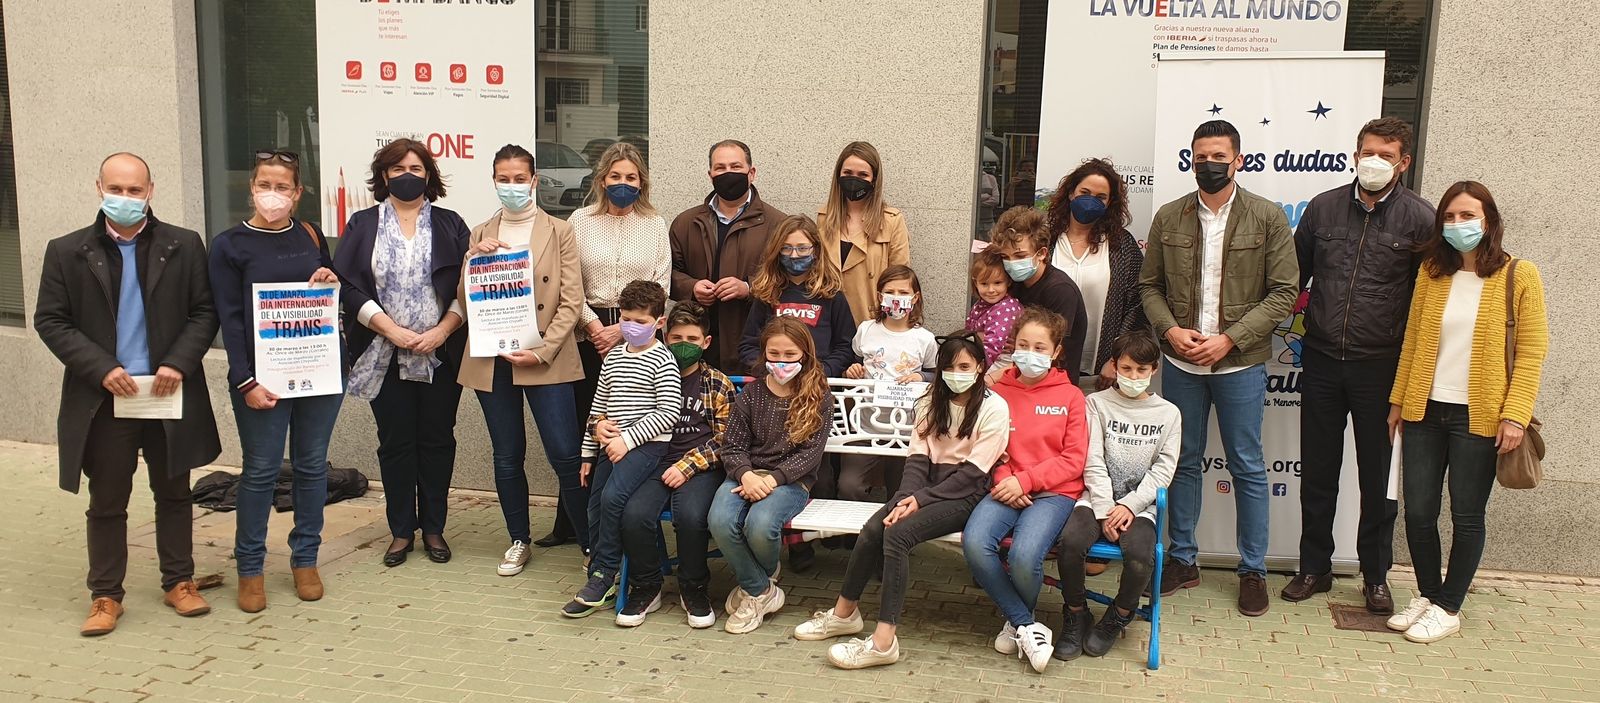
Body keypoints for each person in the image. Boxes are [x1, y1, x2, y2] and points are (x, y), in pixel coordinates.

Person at [35, 152, 221, 635]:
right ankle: (105, 596)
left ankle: (179, 582)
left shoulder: (182, 244)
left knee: (175, 493)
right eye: (116, 189)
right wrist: (101, 368)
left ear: (150, 191)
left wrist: (178, 362)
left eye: (134, 190)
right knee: (108, 498)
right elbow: (50, 320)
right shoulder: (66, 250)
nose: (125, 198)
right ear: (98, 187)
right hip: (106, 397)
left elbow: (204, 312)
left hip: (166, 392)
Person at [1139, 120, 1298, 617]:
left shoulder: (1267, 217)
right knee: (1183, 462)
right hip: (1181, 363)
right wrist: (1169, 332)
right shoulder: (1169, 217)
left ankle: (1253, 570)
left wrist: (1231, 339)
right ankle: (1183, 560)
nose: (1207, 164)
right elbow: (1149, 287)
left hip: (1240, 365)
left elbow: (1285, 294)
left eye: (1217, 156)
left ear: (1238, 161)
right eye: (1199, 156)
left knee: (1247, 465)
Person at [1283, 118, 1435, 613]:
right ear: (1354, 153)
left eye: (1386, 155)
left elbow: (1427, 302)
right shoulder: (1324, 208)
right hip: (1323, 360)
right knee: (1320, 471)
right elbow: (1292, 279)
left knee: (1377, 478)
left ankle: (1375, 576)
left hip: (1381, 367)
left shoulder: (1420, 220)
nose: (1374, 161)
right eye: (1367, 151)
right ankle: (1314, 568)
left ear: (1403, 162)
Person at [1384, 181, 1547, 644]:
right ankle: (1429, 595)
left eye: (1468, 216)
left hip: (1480, 416)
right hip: (1424, 409)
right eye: (1450, 218)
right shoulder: (1433, 273)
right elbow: (1413, 342)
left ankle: (1450, 605)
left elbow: (1532, 351)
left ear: (1490, 221)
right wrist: (1398, 401)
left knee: (1467, 514)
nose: (1458, 225)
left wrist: (1515, 414)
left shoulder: (1520, 275)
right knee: (1417, 511)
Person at [793, 332, 1011, 669]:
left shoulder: (994, 407)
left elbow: (971, 473)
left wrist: (919, 500)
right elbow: (918, 458)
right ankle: (844, 614)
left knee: (897, 534)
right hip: (924, 491)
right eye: (949, 367)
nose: (957, 373)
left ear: (980, 367)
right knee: (872, 529)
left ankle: (883, 641)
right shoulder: (929, 400)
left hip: (965, 496)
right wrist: (907, 495)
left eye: (965, 366)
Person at [209, 150, 343, 613]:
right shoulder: (228, 245)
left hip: (316, 372)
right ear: (251, 188)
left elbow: (326, 287)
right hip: (260, 380)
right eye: (265, 184)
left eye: (282, 186)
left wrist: (329, 277)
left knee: (311, 467)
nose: (273, 194)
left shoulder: (309, 235)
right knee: (261, 471)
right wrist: (244, 379)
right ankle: (250, 568)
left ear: (297, 193)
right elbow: (230, 318)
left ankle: (305, 559)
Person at [333, 138, 471, 567]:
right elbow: (348, 285)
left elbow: (471, 287)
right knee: (394, 443)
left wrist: (442, 330)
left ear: (428, 174)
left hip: (439, 352)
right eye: (396, 169)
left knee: (436, 440)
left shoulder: (451, 224)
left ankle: (433, 528)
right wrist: (390, 329)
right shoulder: (362, 224)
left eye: (415, 167)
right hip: (382, 353)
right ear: (383, 176)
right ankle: (399, 530)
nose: (406, 175)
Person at [458, 144, 587, 578]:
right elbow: (464, 303)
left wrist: (543, 349)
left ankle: (590, 541)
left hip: (545, 357)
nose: (511, 186)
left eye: (519, 178)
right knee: (507, 454)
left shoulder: (559, 230)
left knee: (566, 454)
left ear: (533, 181)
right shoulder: (478, 233)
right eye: (503, 178)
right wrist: (472, 262)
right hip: (493, 358)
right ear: (493, 180)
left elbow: (571, 301)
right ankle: (518, 539)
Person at [964, 307, 1088, 673]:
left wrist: (1027, 480)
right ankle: (1024, 621)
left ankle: (1016, 619)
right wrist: (1004, 477)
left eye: (1039, 346)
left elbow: (1073, 459)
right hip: (1005, 487)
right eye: (1022, 344)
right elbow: (988, 443)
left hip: (1053, 493)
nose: (1029, 352)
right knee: (974, 543)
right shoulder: (997, 391)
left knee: (1023, 555)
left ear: (1056, 351)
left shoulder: (1071, 397)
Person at [562, 142, 671, 549]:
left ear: (641, 182)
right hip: (586, 332)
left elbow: (660, 281)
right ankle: (581, 528)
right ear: (601, 179)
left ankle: (621, 515)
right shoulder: (580, 220)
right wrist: (594, 327)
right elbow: (568, 280)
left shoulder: (655, 223)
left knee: (632, 420)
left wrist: (624, 331)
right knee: (589, 424)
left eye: (630, 177)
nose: (622, 184)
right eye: (615, 176)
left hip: (639, 335)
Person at [1053, 331, 1180, 661]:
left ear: (1154, 369)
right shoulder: (1095, 403)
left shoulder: (1169, 413)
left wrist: (1129, 505)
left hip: (1140, 506)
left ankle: (1120, 614)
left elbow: (1164, 470)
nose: (1133, 377)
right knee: (1070, 543)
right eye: (1126, 369)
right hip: (1095, 498)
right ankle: (1076, 611)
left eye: (1141, 370)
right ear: (1114, 366)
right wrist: (1107, 508)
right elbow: (1091, 458)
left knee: (1141, 557)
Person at [709, 317, 834, 634]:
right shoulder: (751, 395)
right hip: (746, 475)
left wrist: (772, 479)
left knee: (760, 524)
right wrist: (747, 476)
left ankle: (754, 586)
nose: (781, 362)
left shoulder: (819, 397)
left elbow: (810, 455)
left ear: (804, 354)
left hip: (790, 480)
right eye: (773, 355)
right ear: (763, 354)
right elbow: (733, 446)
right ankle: (762, 589)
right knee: (720, 520)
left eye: (789, 355)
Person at [564, 281, 680, 617]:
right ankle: (601, 571)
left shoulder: (663, 359)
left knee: (614, 498)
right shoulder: (613, 357)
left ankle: (603, 573)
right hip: (609, 447)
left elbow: (668, 412)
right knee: (596, 503)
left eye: (641, 321)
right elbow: (599, 407)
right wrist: (590, 448)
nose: (632, 327)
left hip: (645, 448)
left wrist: (627, 440)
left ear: (659, 322)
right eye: (627, 319)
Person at [616, 302, 736, 628]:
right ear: (664, 337)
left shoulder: (717, 383)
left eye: (693, 339)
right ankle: (646, 585)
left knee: (692, 516)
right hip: (653, 462)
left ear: (706, 342)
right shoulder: (645, 374)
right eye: (677, 337)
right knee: (634, 514)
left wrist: (689, 465)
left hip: (699, 468)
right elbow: (620, 412)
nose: (684, 345)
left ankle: (693, 587)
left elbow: (728, 440)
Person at [668, 139, 787, 368]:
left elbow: (789, 279)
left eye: (736, 167)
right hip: (696, 344)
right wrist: (691, 287)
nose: (728, 173)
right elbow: (666, 274)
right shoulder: (686, 223)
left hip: (753, 341)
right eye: (720, 168)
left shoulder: (778, 224)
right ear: (710, 174)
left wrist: (749, 288)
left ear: (751, 173)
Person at [1046, 158, 1147, 394]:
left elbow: (1137, 305)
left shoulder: (1121, 245)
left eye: (1100, 197)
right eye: (1085, 192)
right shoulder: (1046, 240)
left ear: (1110, 202)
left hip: (1101, 374)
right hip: (1047, 366)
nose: (1091, 200)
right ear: (1071, 193)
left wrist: (1117, 359)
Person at [839, 265, 937, 500]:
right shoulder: (865, 330)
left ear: (915, 297)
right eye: (890, 291)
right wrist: (852, 371)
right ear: (880, 296)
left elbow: (936, 376)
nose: (897, 298)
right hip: (864, 427)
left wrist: (921, 377)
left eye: (903, 293)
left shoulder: (925, 339)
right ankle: (853, 535)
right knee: (848, 485)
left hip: (906, 429)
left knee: (901, 491)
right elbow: (853, 363)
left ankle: (890, 533)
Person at [738, 214, 856, 377]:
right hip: (773, 385)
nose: (794, 255)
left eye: (802, 248)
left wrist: (821, 373)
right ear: (777, 251)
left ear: (816, 250)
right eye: (786, 248)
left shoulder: (832, 295)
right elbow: (748, 346)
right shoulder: (766, 294)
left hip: (818, 386)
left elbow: (845, 346)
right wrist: (769, 372)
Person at [987, 207, 1089, 380]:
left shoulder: (1060, 290)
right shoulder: (1012, 283)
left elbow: (1056, 348)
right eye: (1005, 257)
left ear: (1041, 253)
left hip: (1053, 380)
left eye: (1020, 256)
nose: (1011, 263)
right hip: (1016, 373)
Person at [817, 141, 910, 325]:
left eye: (863, 175)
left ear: (874, 179)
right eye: (848, 173)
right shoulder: (824, 218)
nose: (854, 179)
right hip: (828, 322)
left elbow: (901, 280)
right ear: (838, 175)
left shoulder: (891, 221)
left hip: (872, 322)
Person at [966, 250, 1023, 373]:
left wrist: (975, 369)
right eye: (984, 284)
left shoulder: (1007, 307)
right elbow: (968, 334)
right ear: (975, 283)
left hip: (999, 362)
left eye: (997, 283)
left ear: (1008, 281)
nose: (991, 290)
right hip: (980, 356)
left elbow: (993, 346)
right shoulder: (979, 305)